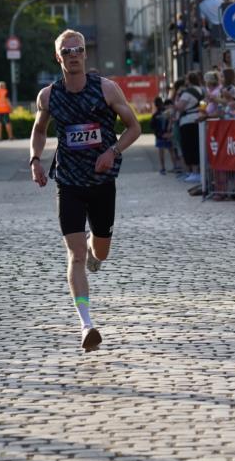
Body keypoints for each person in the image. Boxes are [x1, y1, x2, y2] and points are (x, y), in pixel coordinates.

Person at [29, 30, 141, 352]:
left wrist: (112, 152)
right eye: (66, 50)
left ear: (85, 54)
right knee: (75, 255)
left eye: (78, 49)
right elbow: (39, 130)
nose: (73, 54)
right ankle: (86, 323)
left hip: (102, 182)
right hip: (69, 183)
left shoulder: (106, 89)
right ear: (58, 57)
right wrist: (35, 160)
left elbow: (134, 127)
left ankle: (96, 251)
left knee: (99, 252)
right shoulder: (48, 96)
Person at [150, 96, 174, 174]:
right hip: (168, 134)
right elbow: (170, 122)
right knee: (171, 150)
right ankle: (175, 166)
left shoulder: (155, 115)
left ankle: (163, 168)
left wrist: (158, 134)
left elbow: (152, 126)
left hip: (159, 135)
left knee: (161, 152)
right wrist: (169, 132)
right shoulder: (167, 112)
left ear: (155, 105)